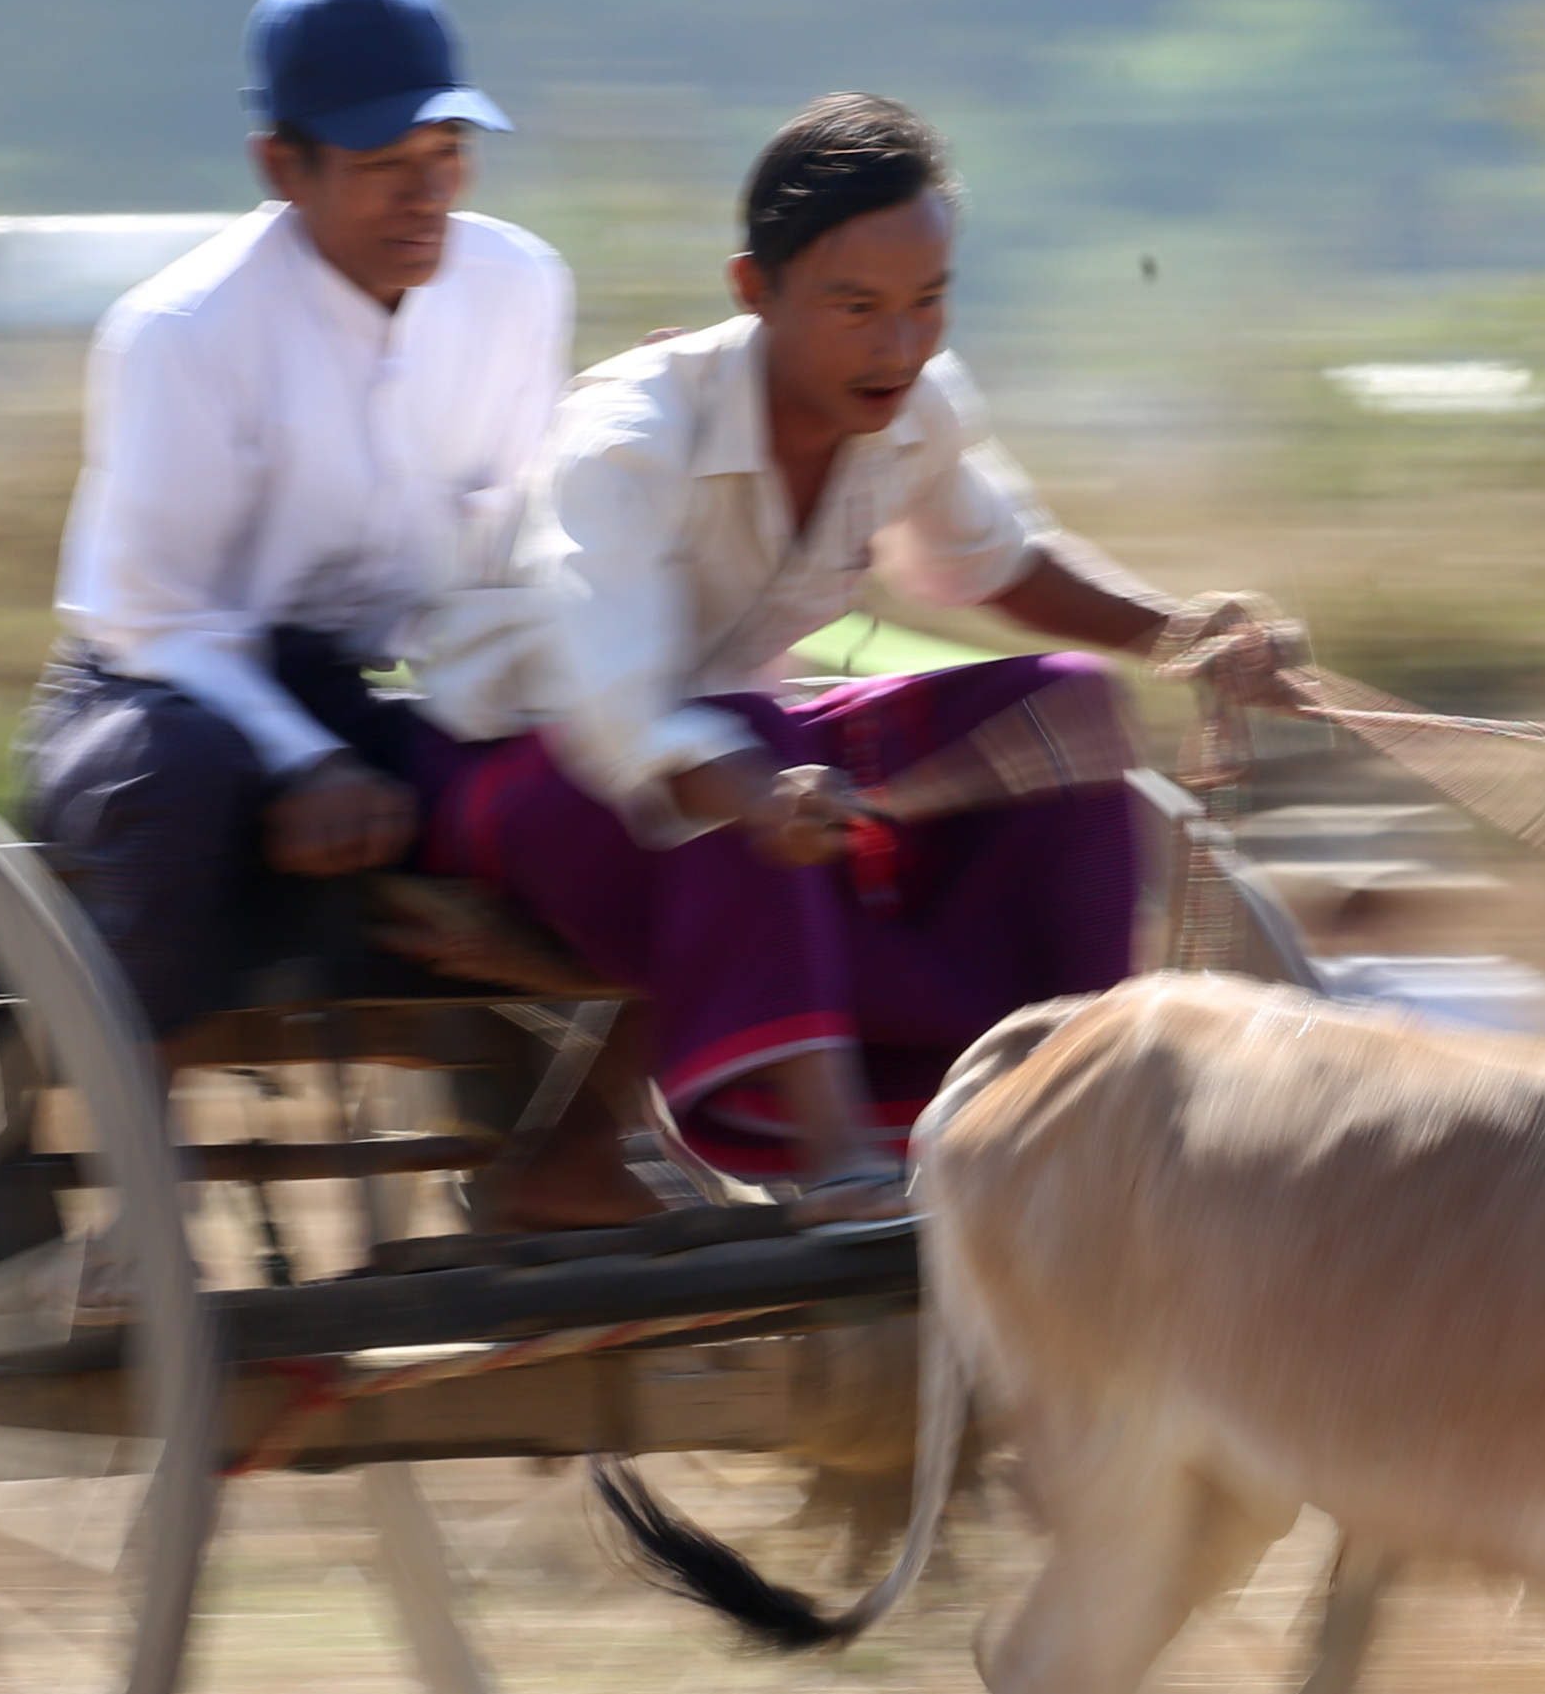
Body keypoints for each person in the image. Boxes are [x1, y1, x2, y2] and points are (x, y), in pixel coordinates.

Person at [423, 93, 1305, 1223]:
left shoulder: (913, 409)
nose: (898, 347)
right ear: (754, 291)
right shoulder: (629, 434)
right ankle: (837, 1157)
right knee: (743, 734)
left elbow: (991, 562)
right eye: (855, 308)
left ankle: (1078, 1108)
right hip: (521, 779)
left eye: (926, 303)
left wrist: (1188, 639)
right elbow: (621, 719)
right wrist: (755, 794)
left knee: (1066, 705)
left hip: (746, 766)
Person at [20, 0, 575, 1042]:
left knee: (569, 779)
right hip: (151, 695)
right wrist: (301, 759)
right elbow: (150, 621)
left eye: (446, 155)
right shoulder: (182, 332)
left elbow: (505, 556)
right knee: (185, 777)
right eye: (381, 165)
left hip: (356, 688)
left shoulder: (519, 286)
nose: (427, 196)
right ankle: (141, 1146)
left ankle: (578, 1139)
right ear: (281, 166)